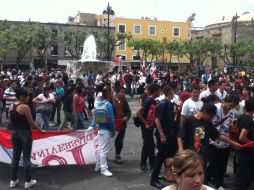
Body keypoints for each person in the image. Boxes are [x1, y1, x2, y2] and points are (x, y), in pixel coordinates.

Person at [9, 88, 42, 189]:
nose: (28, 97)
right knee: (26, 158)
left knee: (15, 157)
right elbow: (31, 123)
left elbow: (11, 121)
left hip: (14, 133)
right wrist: (40, 130)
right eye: (27, 96)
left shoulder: (11, 106)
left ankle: (13, 180)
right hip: (25, 134)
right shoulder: (25, 107)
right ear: (21, 97)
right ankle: (28, 181)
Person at [150, 85, 178, 188]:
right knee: (160, 157)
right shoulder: (163, 104)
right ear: (169, 93)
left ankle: (160, 176)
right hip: (163, 135)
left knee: (165, 156)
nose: (173, 94)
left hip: (169, 134)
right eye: (172, 92)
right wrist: (161, 135)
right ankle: (153, 179)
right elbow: (157, 120)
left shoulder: (170, 104)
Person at [137, 84, 160, 173]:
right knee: (148, 146)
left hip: (150, 127)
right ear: (155, 91)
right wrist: (146, 123)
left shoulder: (153, 100)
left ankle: (149, 165)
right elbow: (138, 113)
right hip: (146, 127)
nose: (159, 92)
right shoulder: (148, 100)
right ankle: (146, 166)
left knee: (149, 146)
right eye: (158, 90)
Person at [95, 87, 115, 177]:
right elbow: (111, 119)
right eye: (111, 93)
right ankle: (104, 169)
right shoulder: (108, 105)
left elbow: (95, 119)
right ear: (109, 95)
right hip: (106, 129)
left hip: (100, 129)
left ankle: (98, 166)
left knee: (100, 148)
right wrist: (112, 130)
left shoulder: (100, 104)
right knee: (104, 150)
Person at [235, 98, 254, 190]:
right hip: (246, 153)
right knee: (244, 178)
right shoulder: (249, 120)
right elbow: (242, 137)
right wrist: (251, 143)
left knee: (241, 177)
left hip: (241, 151)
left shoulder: (242, 117)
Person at [112, 86, 131, 164]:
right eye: (122, 92)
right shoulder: (111, 101)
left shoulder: (124, 101)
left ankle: (118, 155)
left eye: (124, 92)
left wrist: (126, 117)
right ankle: (103, 156)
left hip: (122, 124)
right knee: (109, 141)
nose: (123, 94)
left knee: (119, 141)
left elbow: (128, 111)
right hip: (112, 125)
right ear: (117, 92)